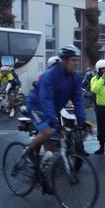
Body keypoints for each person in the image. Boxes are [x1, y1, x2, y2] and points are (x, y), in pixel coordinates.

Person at [23, 45, 87, 194]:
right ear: (63, 61)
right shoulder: (50, 75)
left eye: (77, 60)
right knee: (47, 131)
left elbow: (78, 100)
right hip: (36, 105)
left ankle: (43, 176)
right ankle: (28, 151)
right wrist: (53, 121)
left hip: (52, 108)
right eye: (73, 60)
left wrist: (81, 121)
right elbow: (46, 100)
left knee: (53, 147)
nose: (76, 63)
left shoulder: (75, 78)